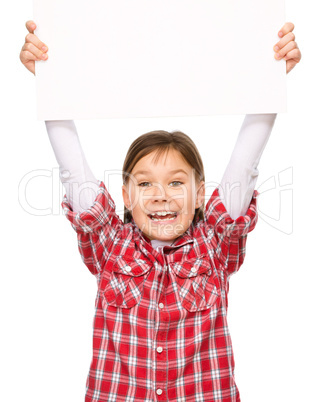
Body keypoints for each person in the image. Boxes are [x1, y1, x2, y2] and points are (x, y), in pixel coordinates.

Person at [20, 20, 301, 402]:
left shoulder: (213, 247)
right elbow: (75, 174)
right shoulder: (110, 247)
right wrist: (49, 83)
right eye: (146, 183)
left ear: (200, 194)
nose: (160, 195)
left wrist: (271, 81)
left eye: (175, 182)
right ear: (125, 196)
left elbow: (243, 167)